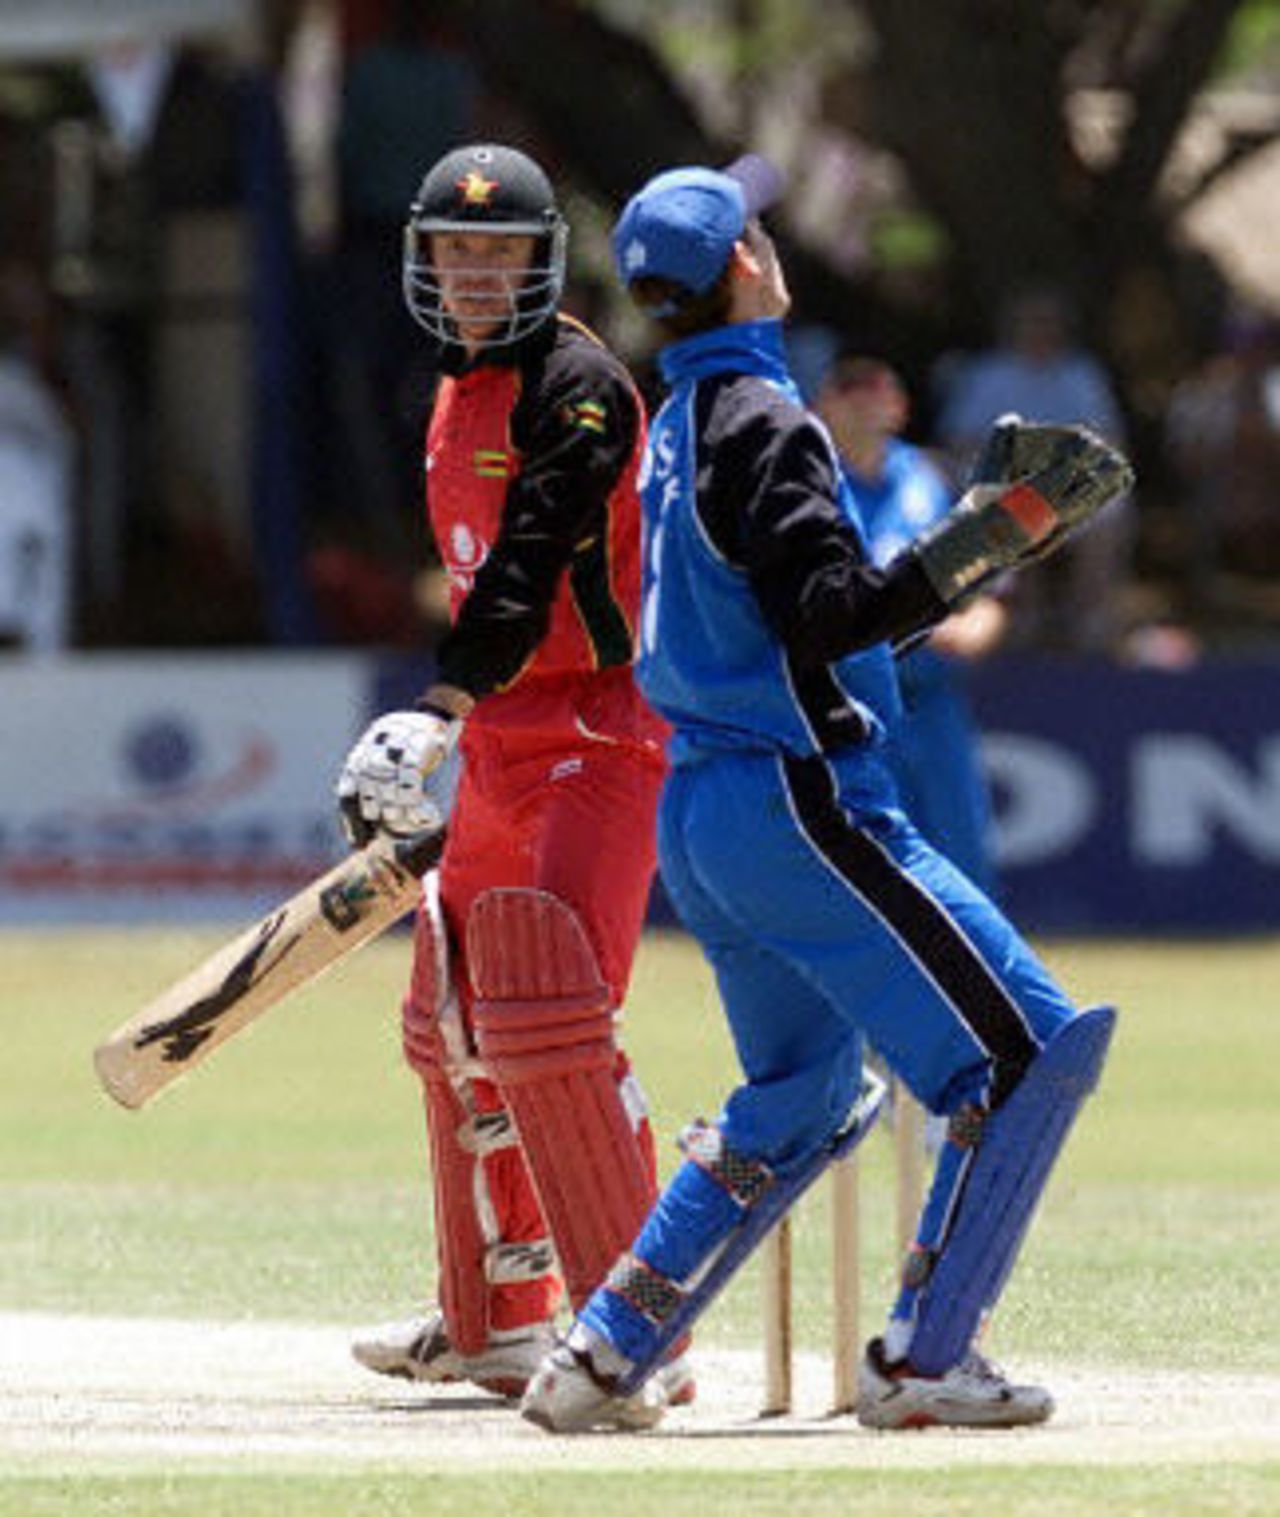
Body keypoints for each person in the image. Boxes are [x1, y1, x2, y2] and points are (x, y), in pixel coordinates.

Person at [520, 158, 1131, 1433]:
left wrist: (962, 541)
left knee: (796, 1098)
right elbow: (834, 616)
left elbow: (795, 622)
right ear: (747, 266)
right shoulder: (763, 418)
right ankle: (921, 1357)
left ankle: (601, 1347)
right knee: (1024, 1052)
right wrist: (984, 540)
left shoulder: (674, 423)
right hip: (805, 798)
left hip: (708, 811)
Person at [333, 143, 687, 1405]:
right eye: (452, 249)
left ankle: (637, 1336)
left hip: (598, 723)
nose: (473, 272)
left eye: (498, 251)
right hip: (499, 730)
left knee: (554, 1018)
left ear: (542, 261)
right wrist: (460, 718)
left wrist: (434, 703)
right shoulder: (450, 383)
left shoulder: (579, 386)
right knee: (453, 1021)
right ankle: (490, 1320)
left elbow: (532, 554)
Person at [816, 355, 1003, 897]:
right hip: (852, 702)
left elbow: (984, 589)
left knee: (961, 856)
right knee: (865, 863)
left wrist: (979, 626)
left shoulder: (927, 478)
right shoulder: (812, 479)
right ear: (824, 404)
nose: (864, 402)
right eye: (850, 391)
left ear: (899, 407)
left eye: (878, 390)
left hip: (934, 698)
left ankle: (974, 979)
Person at [934, 285, 1131, 652]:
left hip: (1070, 479)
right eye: (1032, 323)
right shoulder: (988, 375)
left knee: (1112, 507)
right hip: (1004, 479)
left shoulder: (1081, 375)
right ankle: (1024, 618)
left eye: (1049, 323)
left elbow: (1109, 436)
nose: (1041, 330)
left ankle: (1088, 619)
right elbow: (957, 441)